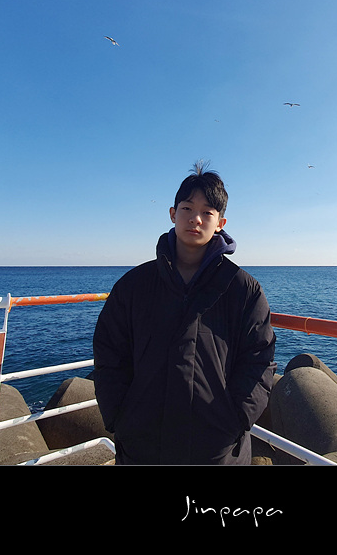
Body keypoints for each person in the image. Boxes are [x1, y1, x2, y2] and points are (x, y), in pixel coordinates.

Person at [91, 162, 277, 465]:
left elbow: (259, 359)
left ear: (221, 222)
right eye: (187, 208)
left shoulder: (243, 289)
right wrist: (120, 418)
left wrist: (234, 421)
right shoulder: (134, 286)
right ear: (172, 213)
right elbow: (109, 352)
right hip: (142, 448)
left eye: (207, 212)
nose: (196, 219)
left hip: (217, 452)